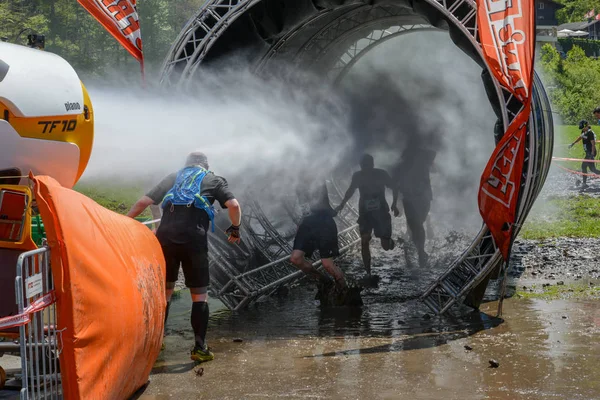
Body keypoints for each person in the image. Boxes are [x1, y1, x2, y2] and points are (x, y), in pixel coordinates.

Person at [127, 151, 241, 363]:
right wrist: (235, 228)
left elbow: (143, 202)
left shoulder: (174, 177)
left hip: (165, 239)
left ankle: (156, 341)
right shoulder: (213, 179)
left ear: (186, 165)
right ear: (205, 166)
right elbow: (233, 205)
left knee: (166, 292)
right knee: (199, 295)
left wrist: (123, 222)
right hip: (193, 241)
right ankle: (199, 347)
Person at [335, 154, 399, 278]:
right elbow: (350, 190)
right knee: (364, 241)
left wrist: (394, 204)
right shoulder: (358, 176)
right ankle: (368, 272)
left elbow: (395, 187)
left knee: (385, 247)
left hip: (381, 213)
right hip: (365, 214)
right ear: (361, 166)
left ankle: (390, 242)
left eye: (368, 165)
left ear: (372, 164)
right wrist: (342, 204)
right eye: (363, 166)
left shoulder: (381, 174)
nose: (366, 168)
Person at [290, 177, 348, 299]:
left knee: (327, 264)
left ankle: (345, 291)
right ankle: (324, 281)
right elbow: (304, 207)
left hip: (323, 222)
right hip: (308, 223)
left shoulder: (318, 178)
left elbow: (320, 204)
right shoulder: (299, 183)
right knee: (295, 258)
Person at [394, 140, 437, 268]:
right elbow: (396, 185)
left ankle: (420, 251)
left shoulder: (423, 160)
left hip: (423, 198)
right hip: (409, 199)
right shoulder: (402, 166)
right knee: (415, 226)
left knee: (418, 225)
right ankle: (421, 252)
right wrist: (395, 202)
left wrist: (417, 148)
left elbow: (432, 153)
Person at [569, 119, 600, 189]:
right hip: (588, 153)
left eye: (583, 128)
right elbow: (581, 137)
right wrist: (573, 143)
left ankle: (584, 183)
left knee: (584, 166)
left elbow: (593, 144)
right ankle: (584, 183)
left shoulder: (590, 133)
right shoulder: (584, 132)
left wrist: (592, 154)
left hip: (591, 152)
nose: (582, 129)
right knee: (593, 169)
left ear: (586, 126)